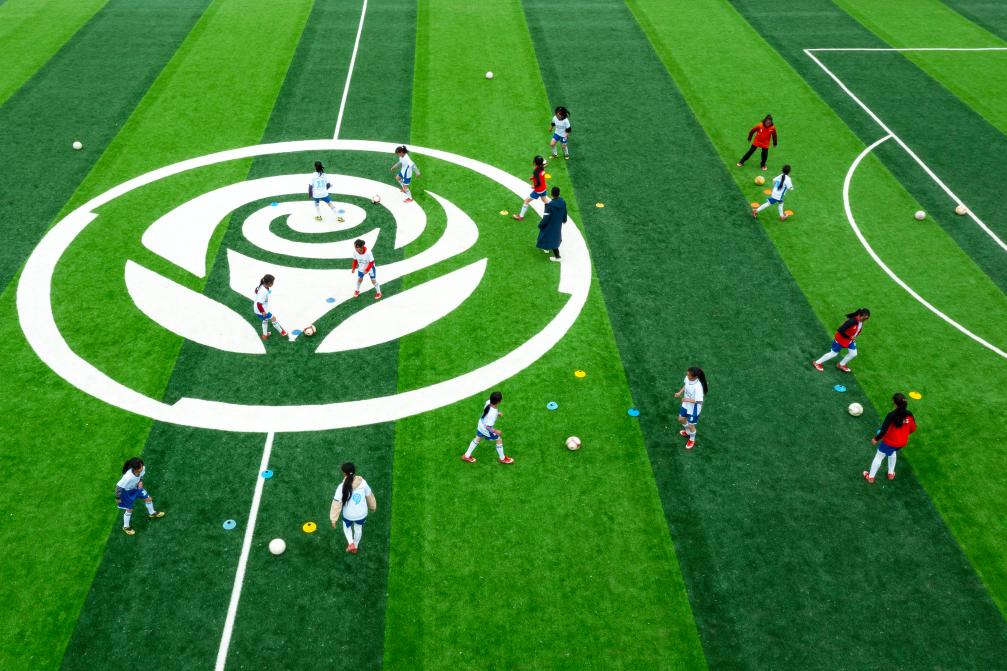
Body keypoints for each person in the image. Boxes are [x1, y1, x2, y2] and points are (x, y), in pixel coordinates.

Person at [863, 393, 917, 483]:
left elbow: (883, 431)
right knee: (892, 452)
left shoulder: (891, 415)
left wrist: (876, 439)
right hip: (902, 443)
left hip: (890, 442)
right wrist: (903, 434)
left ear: (895, 403)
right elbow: (913, 428)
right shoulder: (909, 414)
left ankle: (870, 477)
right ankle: (891, 474)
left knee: (879, 456)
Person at [330, 462, 376, 554]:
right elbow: (369, 495)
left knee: (346, 527)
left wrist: (333, 519)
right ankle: (355, 546)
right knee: (358, 528)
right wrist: (373, 507)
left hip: (348, 515)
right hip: (361, 514)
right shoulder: (363, 482)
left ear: (344, 473)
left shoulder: (341, 486)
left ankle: (351, 543)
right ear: (354, 471)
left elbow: (336, 504)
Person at [115, 457, 166, 536]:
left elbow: (141, 476)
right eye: (141, 467)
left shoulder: (142, 469)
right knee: (129, 509)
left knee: (148, 499)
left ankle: (152, 513)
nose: (143, 467)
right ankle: (126, 527)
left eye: (142, 465)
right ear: (135, 469)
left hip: (137, 488)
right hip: (127, 492)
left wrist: (140, 481)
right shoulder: (128, 477)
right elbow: (118, 487)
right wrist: (118, 498)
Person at [461, 391, 514, 464]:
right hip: (486, 429)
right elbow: (488, 427)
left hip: (480, 424)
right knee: (499, 439)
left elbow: (488, 412)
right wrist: (496, 431)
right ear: (499, 401)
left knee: (477, 438)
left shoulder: (488, 402)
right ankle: (502, 459)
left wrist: (497, 413)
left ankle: (466, 456)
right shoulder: (493, 414)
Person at [812, 308, 870, 373]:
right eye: (864, 318)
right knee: (833, 354)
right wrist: (850, 337)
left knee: (853, 353)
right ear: (859, 315)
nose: (864, 320)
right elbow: (840, 330)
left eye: (866, 319)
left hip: (849, 340)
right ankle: (817, 363)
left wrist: (852, 337)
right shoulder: (851, 321)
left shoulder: (860, 322)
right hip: (841, 339)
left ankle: (841, 365)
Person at [674, 367, 708, 450]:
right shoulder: (687, 378)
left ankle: (692, 439)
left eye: (689, 375)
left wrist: (687, 399)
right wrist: (679, 392)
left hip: (694, 408)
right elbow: (686, 385)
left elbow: (700, 401)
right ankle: (687, 432)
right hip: (686, 405)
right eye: (687, 373)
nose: (687, 375)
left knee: (691, 425)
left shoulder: (698, 387)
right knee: (681, 419)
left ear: (695, 377)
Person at [513, 155, 549, 221]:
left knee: (526, 201)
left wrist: (534, 186)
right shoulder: (542, 167)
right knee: (544, 200)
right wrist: (533, 177)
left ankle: (520, 217)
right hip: (543, 188)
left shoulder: (536, 172)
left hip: (538, 190)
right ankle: (553, 210)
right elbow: (545, 166)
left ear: (535, 162)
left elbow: (538, 183)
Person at [536, 186, 567, 261]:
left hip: (549, 225)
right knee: (552, 237)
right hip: (557, 224)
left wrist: (540, 225)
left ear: (551, 194)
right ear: (559, 193)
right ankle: (546, 248)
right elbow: (565, 212)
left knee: (547, 236)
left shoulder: (549, 205)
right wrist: (564, 220)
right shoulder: (563, 202)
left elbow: (545, 219)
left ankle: (558, 257)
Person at [253, 274, 288, 339]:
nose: (273, 283)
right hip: (261, 309)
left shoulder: (262, 285)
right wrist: (263, 312)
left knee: (265, 320)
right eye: (273, 282)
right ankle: (282, 332)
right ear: (269, 283)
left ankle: (265, 335)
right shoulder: (264, 292)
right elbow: (259, 304)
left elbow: (256, 291)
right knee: (273, 318)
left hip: (257, 309)